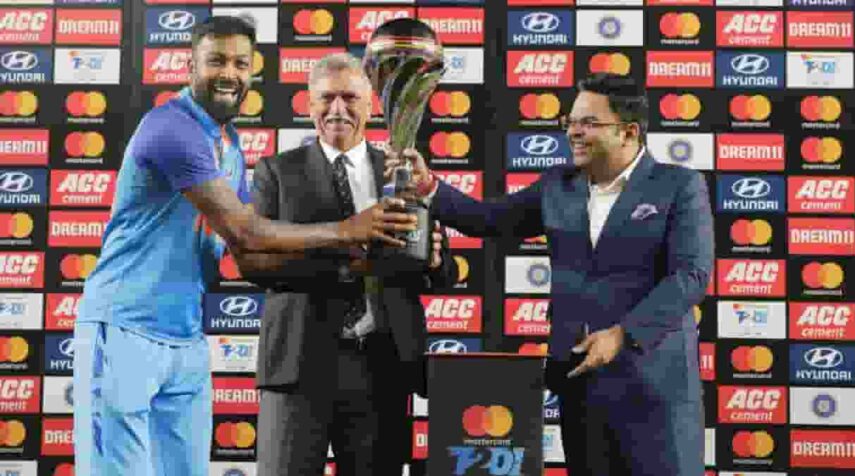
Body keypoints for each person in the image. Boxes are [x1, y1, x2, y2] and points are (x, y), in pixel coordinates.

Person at [72, 17, 415, 476]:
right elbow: (246, 232)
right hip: (125, 327)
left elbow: (250, 256)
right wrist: (348, 230)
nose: (229, 73)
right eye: (216, 61)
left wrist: (365, 259)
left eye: (240, 63)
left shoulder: (229, 145)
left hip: (185, 339)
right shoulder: (171, 127)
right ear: (189, 66)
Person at [405, 73, 714, 475]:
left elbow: (690, 276)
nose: (574, 132)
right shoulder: (558, 185)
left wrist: (623, 335)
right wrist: (429, 186)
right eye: (570, 121)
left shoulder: (679, 185)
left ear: (629, 131)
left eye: (588, 123)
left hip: (656, 393)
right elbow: (489, 219)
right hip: (580, 389)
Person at [234, 52, 457, 476]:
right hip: (298, 368)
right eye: (327, 98)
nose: (338, 109)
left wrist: (437, 259)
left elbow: (443, 275)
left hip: (383, 368)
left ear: (371, 104)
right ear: (308, 104)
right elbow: (256, 264)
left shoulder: (401, 170)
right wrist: (347, 264)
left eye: (350, 98)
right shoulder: (276, 172)